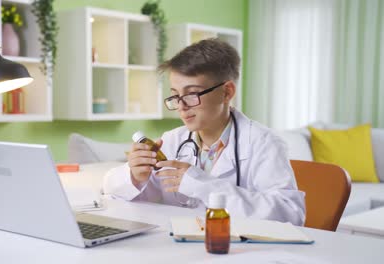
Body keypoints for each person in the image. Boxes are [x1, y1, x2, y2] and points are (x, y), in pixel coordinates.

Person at [103, 38, 305, 226]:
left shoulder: (264, 143)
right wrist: (135, 176)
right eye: (175, 96)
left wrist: (203, 186)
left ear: (227, 92)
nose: (181, 106)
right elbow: (112, 190)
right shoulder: (173, 141)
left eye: (191, 94)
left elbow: (290, 214)